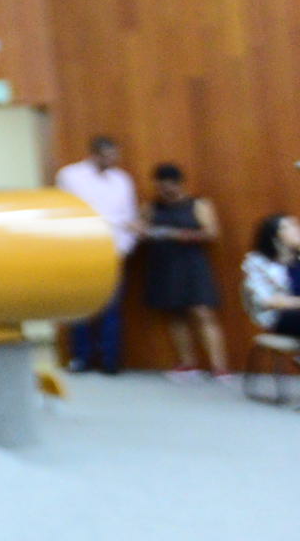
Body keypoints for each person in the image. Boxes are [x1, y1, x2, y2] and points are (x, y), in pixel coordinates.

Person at [54, 135, 140, 374]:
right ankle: (81, 357)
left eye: (115, 156)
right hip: (81, 249)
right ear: (94, 154)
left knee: (111, 307)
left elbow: (130, 217)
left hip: (114, 250)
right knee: (80, 304)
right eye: (108, 156)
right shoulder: (71, 175)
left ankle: (109, 359)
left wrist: (126, 246)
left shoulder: (122, 179)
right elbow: (70, 212)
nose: (113, 160)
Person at [140, 162, 227, 379]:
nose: (165, 191)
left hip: (192, 263)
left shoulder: (198, 203)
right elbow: (142, 230)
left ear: (179, 184)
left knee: (203, 312)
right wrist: (142, 231)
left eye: (169, 186)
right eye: (160, 186)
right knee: (175, 313)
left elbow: (211, 233)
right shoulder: (151, 207)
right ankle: (188, 364)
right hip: (164, 264)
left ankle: (219, 367)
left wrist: (178, 235)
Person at [241, 214, 300, 347]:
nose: (297, 229)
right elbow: (267, 301)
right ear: (274, 237)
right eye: (288, 227)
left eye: (296, 225)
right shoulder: (257, 263)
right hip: (281, 316)